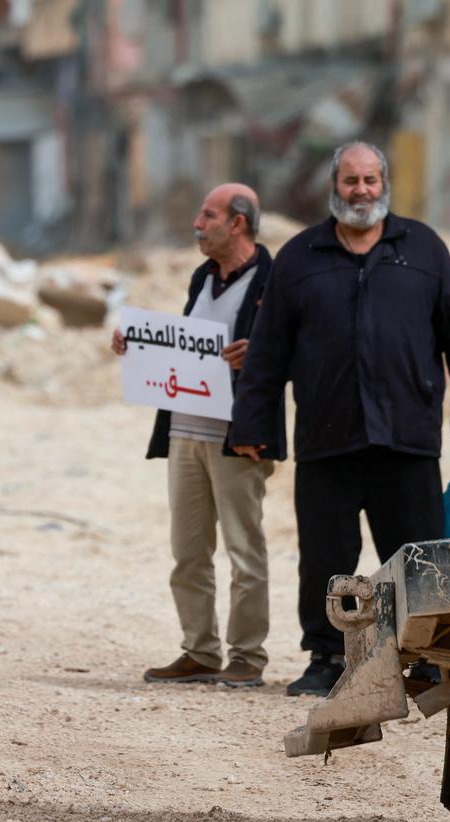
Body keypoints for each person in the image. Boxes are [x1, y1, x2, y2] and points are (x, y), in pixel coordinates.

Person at [230, 141, 450, 697]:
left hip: (407, 437)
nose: (361, 191)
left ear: (385, 183)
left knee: (416, 553)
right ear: (334, 186)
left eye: (370, 180)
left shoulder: (423, 248)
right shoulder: (301, 257)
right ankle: (327, 658)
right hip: (329, 437)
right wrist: (253, 426)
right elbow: (269, 351)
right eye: (351, 181)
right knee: (326, 555)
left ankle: (423, 660)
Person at [111, 183, 286, 688]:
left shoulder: (272, 281)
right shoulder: (202, 277)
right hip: (186, 431)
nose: (197, 224)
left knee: (243, 550)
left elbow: (292, 351)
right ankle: (200, 650)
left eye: (207, 216)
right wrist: (136, 344)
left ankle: (247, 655)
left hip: (239, 438)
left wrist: (260, 354)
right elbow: (185, 346)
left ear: (238, 223)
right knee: (188, 549)